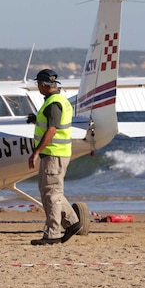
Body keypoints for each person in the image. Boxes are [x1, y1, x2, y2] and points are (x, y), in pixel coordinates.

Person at [27, 68, 88, 245]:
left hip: (54, 153)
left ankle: (52, 233)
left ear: (44, 85)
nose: (38, 87)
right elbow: (51, 123)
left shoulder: (54, 103)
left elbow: (52, 129)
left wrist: (36, 152)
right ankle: (72, 222)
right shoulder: (58, 100)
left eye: (38, 84)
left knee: (51, 194)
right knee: (50, 191)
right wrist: (35, 119)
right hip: (57, 153)